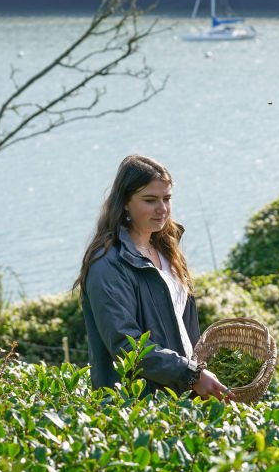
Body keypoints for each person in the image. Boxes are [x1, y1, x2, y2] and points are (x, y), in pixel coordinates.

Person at [74, 154, 231, 400]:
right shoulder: (108, 265)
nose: (163, 209)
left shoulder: (168, 251)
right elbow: (127, 347)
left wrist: (196, 374)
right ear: (125, 202)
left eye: (167, 198)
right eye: (150, 200)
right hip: (136, 407)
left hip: (180, 397)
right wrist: (192, 374)